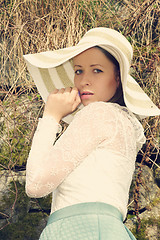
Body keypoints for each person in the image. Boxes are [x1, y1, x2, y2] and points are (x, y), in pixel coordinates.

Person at [24, 27, 160, 240]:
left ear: (117, 77)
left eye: (97, 70)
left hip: (79, 230)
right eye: (78, 70)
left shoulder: (97, 114)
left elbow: (35, 185)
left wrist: (51, 116)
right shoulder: (123, 123)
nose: (84, 80)